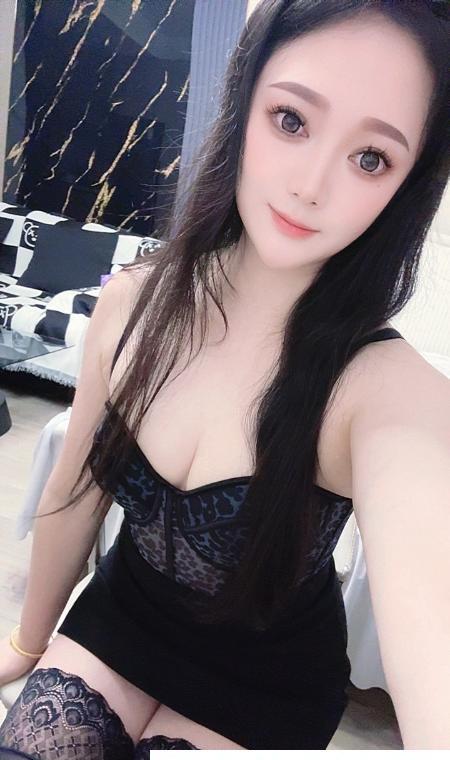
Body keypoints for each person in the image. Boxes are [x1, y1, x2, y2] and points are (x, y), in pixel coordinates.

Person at [1, 0, 449, 755]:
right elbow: (74, 492)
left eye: (371, 158)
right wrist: (28, 639)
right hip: (120, 620)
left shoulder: (384, 391)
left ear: (406, 184)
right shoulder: (133, 302)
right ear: (242, 104)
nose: (311, 185)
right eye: (291, 120)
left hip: (266, 685)